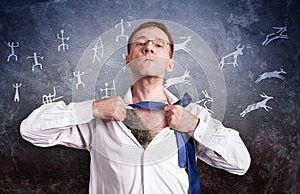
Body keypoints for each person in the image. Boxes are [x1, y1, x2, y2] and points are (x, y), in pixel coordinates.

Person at [20, 21, 251, 194]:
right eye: (141, 43)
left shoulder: (194, 116)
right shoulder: (99, 117)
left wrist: (195, 126)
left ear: (170, 63)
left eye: (159, 45)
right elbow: (31, 130)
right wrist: (90, 109)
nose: (149, 47)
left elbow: (240, 163)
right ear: (128, 59)